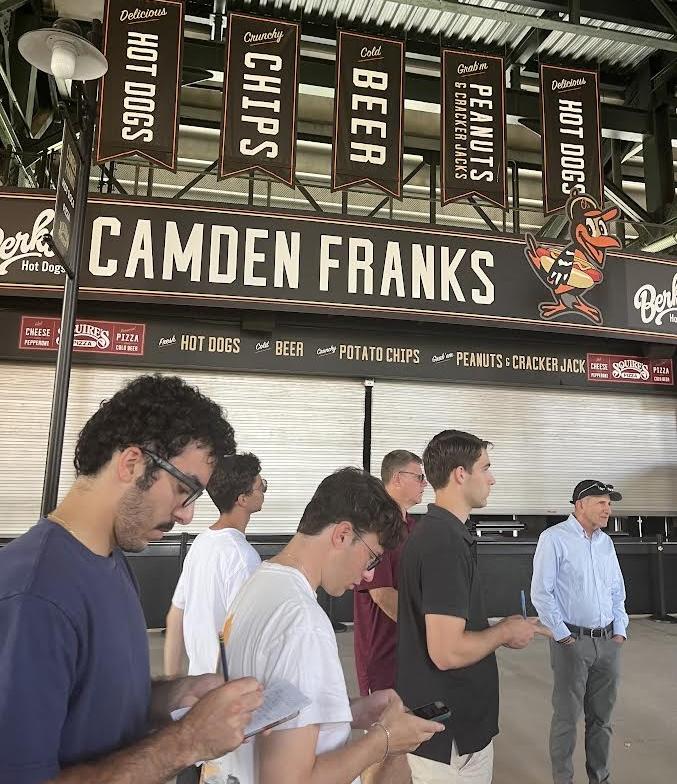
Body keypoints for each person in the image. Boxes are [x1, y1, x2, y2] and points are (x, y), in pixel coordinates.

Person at [0, 374, 263, 784]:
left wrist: (170, 698)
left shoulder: (112, 560)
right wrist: (188, 741)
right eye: (183, 489)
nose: (187, 515)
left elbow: (91, 705)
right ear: (131, 464)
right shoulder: (34, 596)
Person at [223, 467, 445, 784]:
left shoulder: (259, 583)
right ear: (342, 535)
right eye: (372, 558)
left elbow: (272, 717)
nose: (369, 575)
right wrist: (384, 739)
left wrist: (345, 712)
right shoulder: (303, 622)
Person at [397, 429, 539, 783]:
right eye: (485, 467)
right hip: (451, 741)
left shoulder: (444, 535)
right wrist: (505, 631)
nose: (492, 478)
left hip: (451, 732)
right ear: (461, 474)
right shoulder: (443, 543)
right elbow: (447, 651)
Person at [531, 479, 629, 784]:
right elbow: (542, 592)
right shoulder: (554, 538)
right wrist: (562, 635)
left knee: (602, 720)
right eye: (601, 502)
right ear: (580, 505)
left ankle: (600, 778)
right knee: (567, 719)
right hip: (572, 643)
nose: (607, 509)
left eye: (609, 504)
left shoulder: (606, 543)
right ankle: (564, 780)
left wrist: (620, 630)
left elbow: (616, 589)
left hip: (608, 642)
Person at [353, 449, 426, 784]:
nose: (425, 483)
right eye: (419, 476)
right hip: (382, 656)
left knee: (403, 744)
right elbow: (382, 594)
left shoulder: (409, 526)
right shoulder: (378, 526)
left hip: (406, 656)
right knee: (381, 743)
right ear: (398, 479)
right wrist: (427, 634)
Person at [165, 452, 267, 677]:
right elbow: (244, 636)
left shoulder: (202, 542)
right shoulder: (242, 557)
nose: (264, 492)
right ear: (242, 499)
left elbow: (175, 615)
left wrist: (172, 684)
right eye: (261, 486)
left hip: (198, 684)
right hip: (226, 692)